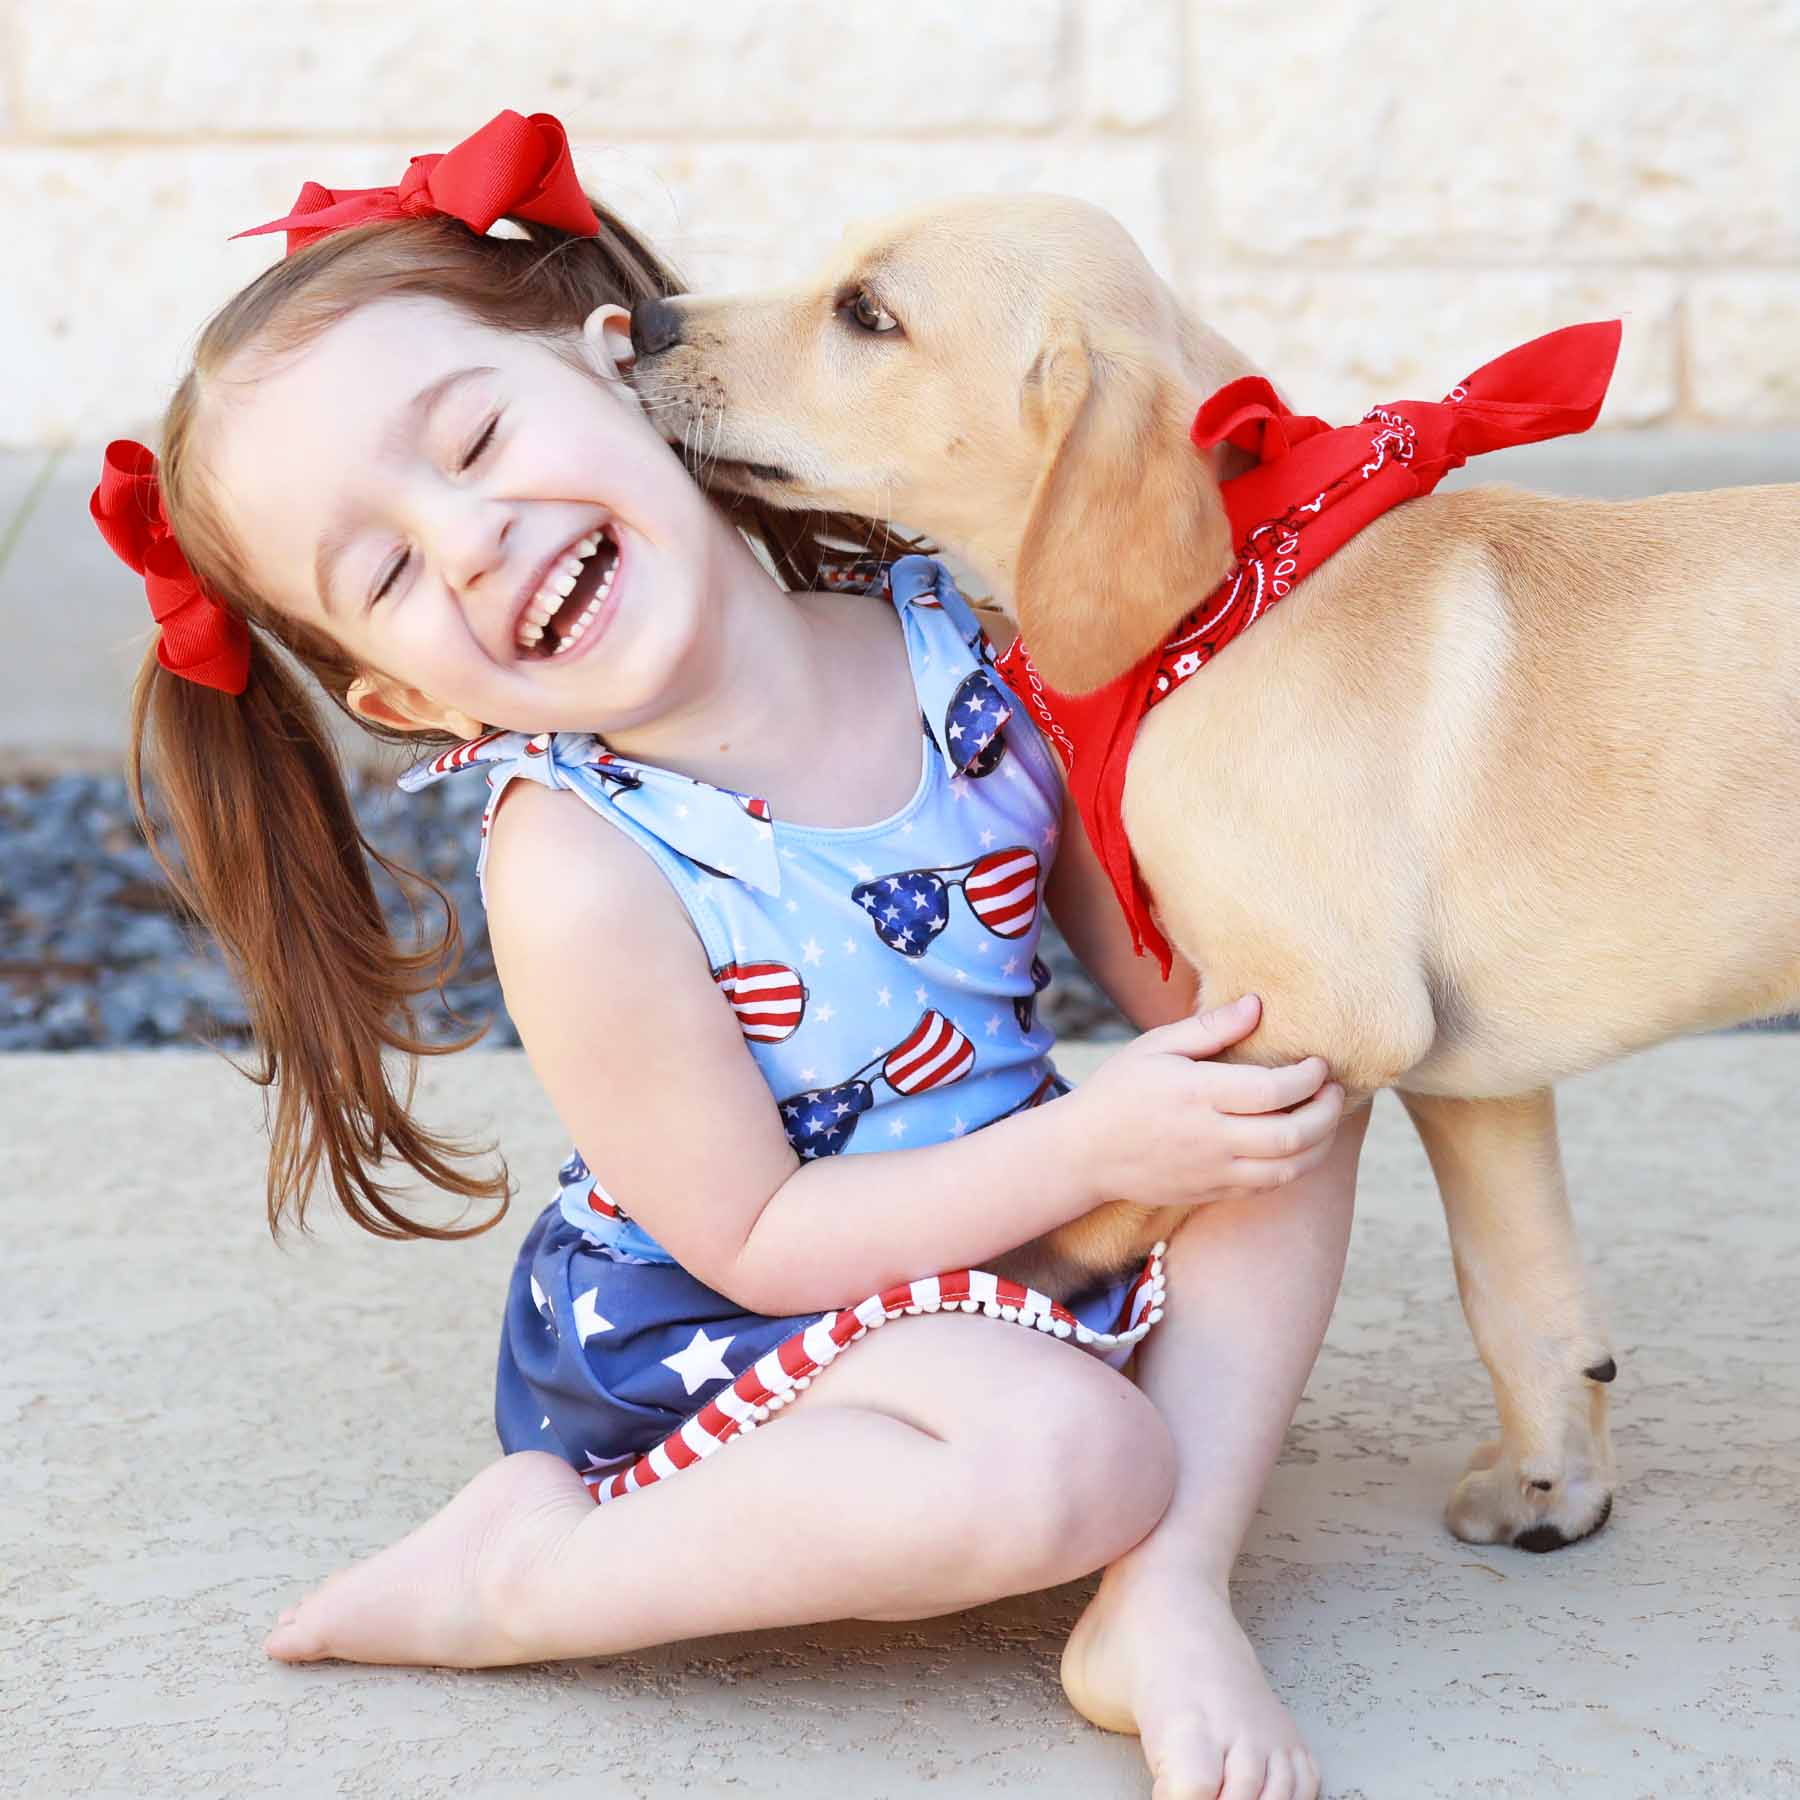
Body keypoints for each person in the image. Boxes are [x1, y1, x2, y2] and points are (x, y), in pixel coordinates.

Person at [94, 110, 1365, 1800]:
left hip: (1008, 1223)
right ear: (408, 701)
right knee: (1063, 1459)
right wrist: (1099, 1142)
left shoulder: (955, 645)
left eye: (473, 437)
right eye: (389, 568)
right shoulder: (583, 864)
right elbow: (762, 1238)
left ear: (621, 363)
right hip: (732, 1321)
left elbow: (1168, 987)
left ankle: (1169, 1583)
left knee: (1299, 1070)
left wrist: (1233, 1037)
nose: (468, 535)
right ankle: (530, 1578)